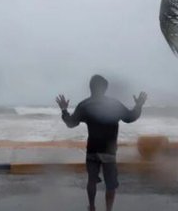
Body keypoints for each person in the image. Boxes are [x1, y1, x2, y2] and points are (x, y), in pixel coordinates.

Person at [56, 74, 147, 211]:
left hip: (92, 150)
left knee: (91, 181)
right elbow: (130, 117)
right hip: (109, 151)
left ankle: (92, 207)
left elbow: (71, 123)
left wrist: (64, 110)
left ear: (91, 88)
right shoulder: (113, 105)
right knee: (110, 184)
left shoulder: (84, 105)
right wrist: (139, 105)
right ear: (105, 89)